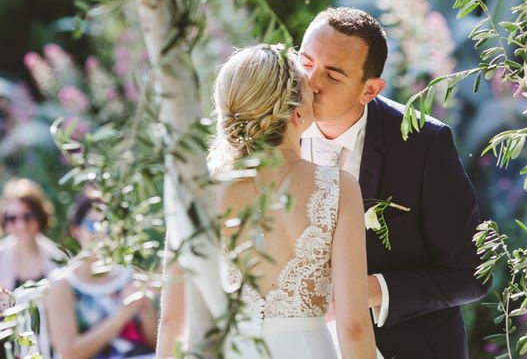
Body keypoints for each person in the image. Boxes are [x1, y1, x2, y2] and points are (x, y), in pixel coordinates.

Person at [156, 44, 376, 359]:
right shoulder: (337, 188)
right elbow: (353, 326)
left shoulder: (193, 194)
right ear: (298, 112)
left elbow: (173, 322)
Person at [299, 7, 489, 359]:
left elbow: (472, 274)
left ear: (369, 90)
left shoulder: (423, 145)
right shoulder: (267, 129)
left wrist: (366, 292)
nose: (311, 84)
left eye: (333, 75)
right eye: (306, 63)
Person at [45, 196, 157, 359]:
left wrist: (145, 306)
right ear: (75, 230)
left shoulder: (131, 275)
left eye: (108, 226)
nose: (102, 233)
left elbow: (156, 345)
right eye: (93, 225)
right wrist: (124, 313)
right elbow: (69, 353)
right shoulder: (62, 284)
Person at [0, 178, 62, 290]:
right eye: (12, 218)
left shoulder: (58, 257)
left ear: (40, 216)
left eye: (27, 216)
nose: (22, 226)